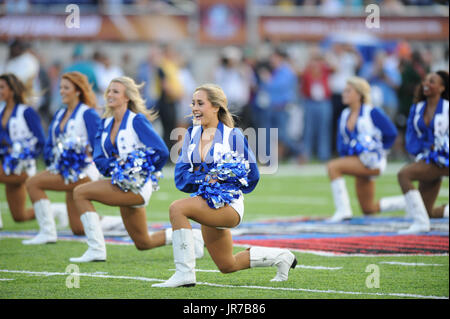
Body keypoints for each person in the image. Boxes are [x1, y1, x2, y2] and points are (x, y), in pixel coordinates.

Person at [153, 84, 297, 288]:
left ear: (215, 107)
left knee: (177, 208)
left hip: (228, 206)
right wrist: (207, 180)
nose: (194, 107)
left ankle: (184, 273)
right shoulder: (190, 136)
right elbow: (181, 177)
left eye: (200, 103)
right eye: (193, 103)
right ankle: (281, 257)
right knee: (227, 264)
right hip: (205, 202)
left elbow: (252, 174)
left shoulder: (233, 136)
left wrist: (226, 186)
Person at [70, 76, 204, 263]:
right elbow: (99, 156)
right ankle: (193, 237)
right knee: (143, 242)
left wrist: (142, 172)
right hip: (119, 182)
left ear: (127, 97)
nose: (109, 94)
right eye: (108, 91)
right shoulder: (105, 123)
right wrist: (117, 169)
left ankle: (96, 249)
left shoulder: (137, 121)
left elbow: (161, 151)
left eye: (115, 91)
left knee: (80, 193)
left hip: (136, 187)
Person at [22, 71, 101, 245]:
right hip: (64, 171)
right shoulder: (59, 114)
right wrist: (52, 159)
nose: (62, 91)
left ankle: (47, 232)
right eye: (60, 88)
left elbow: (98, 144)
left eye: (66, 88)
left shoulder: (88, 113)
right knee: (79, 228)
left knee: (33, 182)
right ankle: (122, 225)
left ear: (78, 91)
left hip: (82, 172)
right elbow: (51, 142)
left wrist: (86, 160)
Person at [327, 76, 405, 222]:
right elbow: (341, 141)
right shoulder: (344, 114)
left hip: (372, 162)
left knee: (333, 167)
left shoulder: (372, 112)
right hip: (357, 161)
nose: (344, 93)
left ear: (359, 94)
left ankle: (343, 211)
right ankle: (408, 202)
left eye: (348, 91)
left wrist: (380, 150)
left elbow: (391, 133)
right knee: (368, 209)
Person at [397, 71, 449, 234]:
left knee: (404, 174)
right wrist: (420, 152)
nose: (426, 83)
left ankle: (420, 224)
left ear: (441, 88)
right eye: (425, 80)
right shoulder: (417, 108)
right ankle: (423, 219)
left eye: (432, 81)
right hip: (430, 159)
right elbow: (411, 134)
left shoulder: (447, 108)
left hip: (446, 158)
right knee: (427, 211)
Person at [0, 73, 45, 227]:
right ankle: (55, 210)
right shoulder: (1, 113)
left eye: (2, 87)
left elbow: (41, 140)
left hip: (24, 167)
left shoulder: (26, 111)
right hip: (8, 166)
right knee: (20, 216)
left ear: (12, 90)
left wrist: (25, 156)